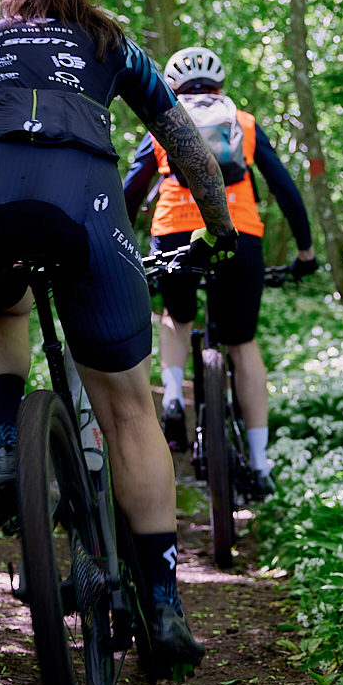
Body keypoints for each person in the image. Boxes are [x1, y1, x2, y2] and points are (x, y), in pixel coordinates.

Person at [0, 0, 238, 678]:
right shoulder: (111, 43)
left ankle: (12, 442)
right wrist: (217, 232)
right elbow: (186, 150)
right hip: (81, 204)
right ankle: (164, 600)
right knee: (129, 410)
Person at [123, 47, 317, 497]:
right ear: (220, 85)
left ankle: (172, 396)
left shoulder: (162, 118)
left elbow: (132, 190)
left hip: (173, 231)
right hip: (238, 232)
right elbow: (284, 188)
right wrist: (305, 250)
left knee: (177, 316)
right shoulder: (243, 122)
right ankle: (261, 464)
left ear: (173, 85)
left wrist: (117, 245)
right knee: (243, 344)